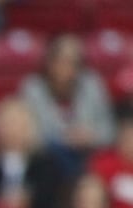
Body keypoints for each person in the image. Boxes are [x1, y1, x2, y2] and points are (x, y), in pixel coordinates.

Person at [17, 33, 115, 165]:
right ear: (49, 62)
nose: (68, 68)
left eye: (74, 62)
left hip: (89, 156)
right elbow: (30, 136)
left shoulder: (92, 84)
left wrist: (91, 136)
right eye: (62, 60)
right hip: (48, 160)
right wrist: (65, 138)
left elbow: (109, 131)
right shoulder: (33, 88)